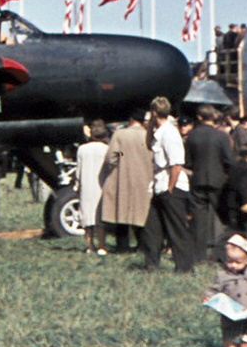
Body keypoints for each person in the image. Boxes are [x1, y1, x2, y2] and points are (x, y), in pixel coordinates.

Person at [142, 96, 194, 272]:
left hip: (172, 187)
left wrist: (170, 187)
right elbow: (149, 145)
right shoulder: (159, 132)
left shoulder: (170, 133)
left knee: (177, 229)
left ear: (154, 112)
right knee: (152, 227)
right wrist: (149, 127)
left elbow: (176, 164)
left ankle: (184, 267)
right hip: (159, 185)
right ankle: (151, 263)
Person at [185, 104, 234, 263]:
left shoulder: (193, 135)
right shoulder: (222, 136)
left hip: (198, 180)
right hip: (218, 180)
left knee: (198, 220)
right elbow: (229, 160)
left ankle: (198, 256)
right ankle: (223, 253)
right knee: (224, 217)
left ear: (199, 117)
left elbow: (188, 161)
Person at [100, 110, 152, 253]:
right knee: (142, 214)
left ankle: (122, 247)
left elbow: (112, 157)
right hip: (145, 179)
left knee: (121, 213)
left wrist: (123, 156)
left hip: (123, 178)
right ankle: (143, 246)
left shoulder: (120, 135)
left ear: (130, 119)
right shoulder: (149, 135)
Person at [77, 119, 109, 256]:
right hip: (101, 185)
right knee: (99, 217)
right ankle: (102, 245)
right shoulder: (107, 149)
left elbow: (78, 170)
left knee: (87, 217)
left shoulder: (82, 149)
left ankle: (89, 245)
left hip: (86, 184)